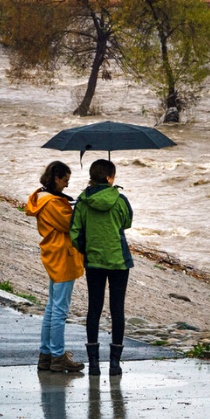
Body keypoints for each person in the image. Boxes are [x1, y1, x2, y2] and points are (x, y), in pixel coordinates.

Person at [70, 159, 133, 376]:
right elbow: (127, 222)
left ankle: (94, 363)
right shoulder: (120, 199)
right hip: (118, 261)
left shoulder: (83, 201)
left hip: (94, 261)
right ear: (108, 178)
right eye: (113, 175)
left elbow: (75, 231)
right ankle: (114, 364)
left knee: (94, 309)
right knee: (117, 309)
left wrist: (86, 250)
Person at [25, 161, 86, 373]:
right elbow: (71, 224)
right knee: (59, 310)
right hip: (63, 256)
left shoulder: (42, 197)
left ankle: (46, 355)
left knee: (52, 308)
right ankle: (58, 356)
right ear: (57, 178)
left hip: (54, 253)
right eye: (66, 181)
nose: (67, 186)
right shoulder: (53, 203)